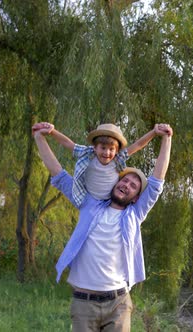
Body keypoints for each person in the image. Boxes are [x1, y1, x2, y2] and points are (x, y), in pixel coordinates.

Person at [32, 122, 173, 332]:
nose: (127, 185)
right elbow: (58, 174)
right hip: (83, 302)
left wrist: (165, 138)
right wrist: (39, 137)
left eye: (134, 186)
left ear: (136, 198)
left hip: (118, 303)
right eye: (125, 181)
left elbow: (157, 181)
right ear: (115, 183)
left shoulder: (135, 214)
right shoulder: (88, 204)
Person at [32, 122, 162, 208]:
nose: (107, 153)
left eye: (111, 149)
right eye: (103, 148)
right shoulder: (88, 154)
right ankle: (39, 138)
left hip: (108, 201)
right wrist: (52, 132)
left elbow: (138, 145)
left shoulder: (117, 159)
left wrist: (154, 132)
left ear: (116, 151)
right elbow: (68, 143)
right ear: (95, 147)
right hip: (87, 196)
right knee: (60, 176)